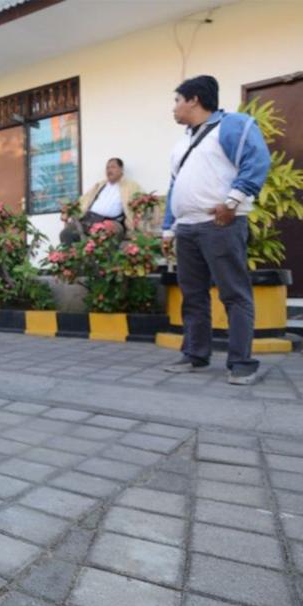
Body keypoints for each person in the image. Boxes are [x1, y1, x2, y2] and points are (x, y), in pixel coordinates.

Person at [161, 75, 271, 385]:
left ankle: (241, 362)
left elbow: (258, 160)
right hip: (188, 228)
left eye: (177, 100)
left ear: (193, 99)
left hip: (221, 223)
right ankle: (196, 355)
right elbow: (174, 187)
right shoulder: (183, 142)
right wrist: (168, 229)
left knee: (234, 294)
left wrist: (233, 201)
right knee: (193, 295)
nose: (174, 107)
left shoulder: (233, 125)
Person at [59, 158, 141, 246]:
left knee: (109, 236)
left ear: (121, 169)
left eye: (113, 167)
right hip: (88, 220)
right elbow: (83, 201)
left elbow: (141, 201)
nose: (109, 170)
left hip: (112, 222)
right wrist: (69, 210)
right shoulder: (100, 185)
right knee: (66, 234)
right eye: (107, 168)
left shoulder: (130, 186)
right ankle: (73, 259)